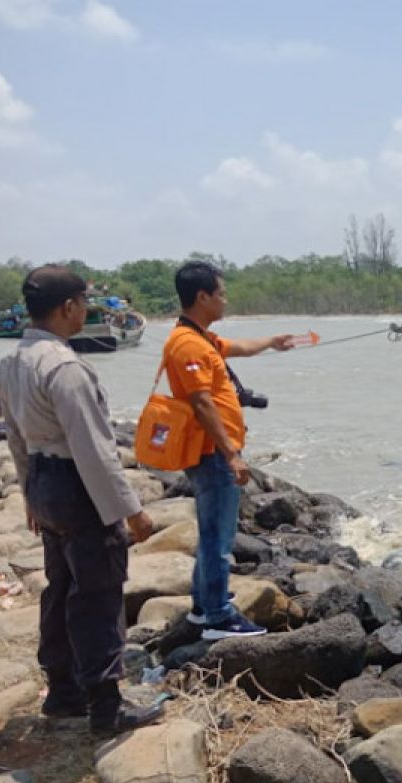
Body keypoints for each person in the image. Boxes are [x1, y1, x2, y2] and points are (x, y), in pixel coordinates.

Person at [0, 265, 162, 734]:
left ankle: (64, 692)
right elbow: (94, 450)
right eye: (83, 303)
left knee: (60, 587)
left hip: (45, 483)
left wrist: (30, 493)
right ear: (68, 307)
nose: (86, 310)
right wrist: (133, 510)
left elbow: (16, 438)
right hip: (75, 484)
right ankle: (107, 707)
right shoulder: (64, 367)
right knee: (97, 594)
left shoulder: (12, 363)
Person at [164, 260, 293, 640]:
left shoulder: (199, 337)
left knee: (212, 533)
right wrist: (231, 454)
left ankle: (205, 605)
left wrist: (271, 342)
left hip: (212, 452)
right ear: (202, 296)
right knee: (218, 538)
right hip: (211, 453)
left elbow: (237, 347)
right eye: (220, 293)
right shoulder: (187, 345)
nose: (225, 299)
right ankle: (219, 617)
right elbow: (202, 403)